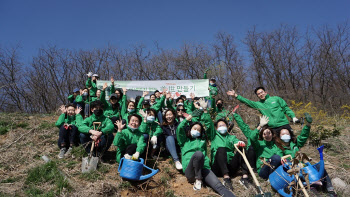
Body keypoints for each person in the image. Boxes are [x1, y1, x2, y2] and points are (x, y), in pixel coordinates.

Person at [176, 111, 235, 196]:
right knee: (198, 154)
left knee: (219, 186)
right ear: (190, 130)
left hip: (204, 169)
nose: (196, 131)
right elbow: (179, 130)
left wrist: (204, 112)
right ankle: (198, 180)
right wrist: (187, 119)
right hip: (191, 171)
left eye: (199, 130)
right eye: (194, 129)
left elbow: (209, 124)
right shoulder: (184, 142)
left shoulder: (202, 142)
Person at [279, 113, 337, 196]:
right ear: (279, 136)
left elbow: (303, 136)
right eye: (283, 134)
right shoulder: (278, 147)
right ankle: (312, 190)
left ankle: (331, 191)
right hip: (294, 169)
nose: (285, 135)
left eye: (287, 134)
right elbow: (280, 158)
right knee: (302, 175)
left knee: (321, 167)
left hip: (305, 165)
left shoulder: (295, 143)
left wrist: (308, 125)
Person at [227, 87, 298, 134]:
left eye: (261, 92)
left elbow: (286, 108)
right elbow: (247, 102)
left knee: (291, 143)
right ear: (257, 96)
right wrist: (236, 95)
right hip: (272, 128)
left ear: (265, 92)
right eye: (258, 94)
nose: (261, 94)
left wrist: (293, 117)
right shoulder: (258, 104)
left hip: (284, 125)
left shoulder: (276, 99)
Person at [209, 118, 250, 190]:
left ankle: (245, 177)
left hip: (230, 167)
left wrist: (239, 143)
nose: (222, 127)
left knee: (242, 149)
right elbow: (208, 123)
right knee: (221, 149)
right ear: (216, 128)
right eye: (219, 126)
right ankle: (226, 179)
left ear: (227, 126)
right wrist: (205, 111)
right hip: (217, 168)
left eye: (223, 125)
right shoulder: (214, 136)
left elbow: (236, 141)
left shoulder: (231, 137)